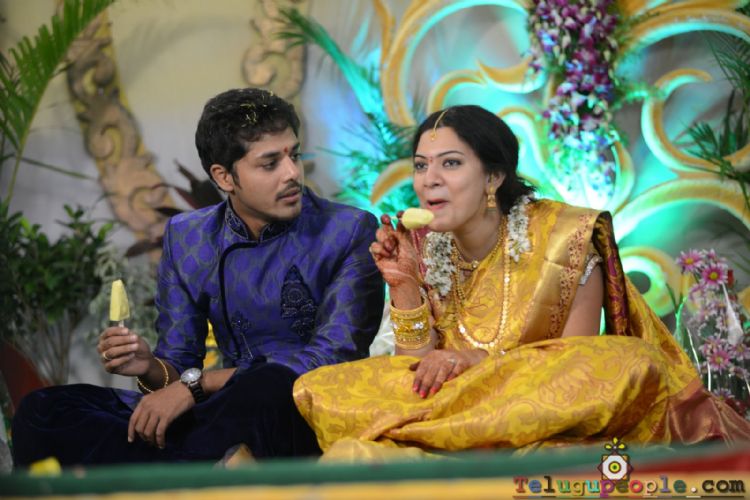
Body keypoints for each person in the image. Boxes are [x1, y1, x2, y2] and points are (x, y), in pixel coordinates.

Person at [293, 105, 750, 459]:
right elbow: (415, 369)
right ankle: (452, 430)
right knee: (322, 387)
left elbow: (575, 371)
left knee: (626, 361)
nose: (429, 181)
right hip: (455, 402)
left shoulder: (563, 238)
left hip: (538, 407)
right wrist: (405, 286)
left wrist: (478, 363)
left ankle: (444, 432)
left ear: (493, 176)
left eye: (450, 164)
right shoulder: (421, 246)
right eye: (420, 165)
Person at [12, 88, 385, 465]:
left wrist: (199, 384)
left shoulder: (348, 230)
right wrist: (148, 366)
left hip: (300, 409)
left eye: (295, 155)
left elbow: (331, 358)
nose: (292, 174)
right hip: (219, 413)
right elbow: (175, 366)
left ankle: (180, 465)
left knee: (267, 383)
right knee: (43, 410)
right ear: (224, 177)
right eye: (270, 163)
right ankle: (207, 463)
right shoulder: (188, 238)